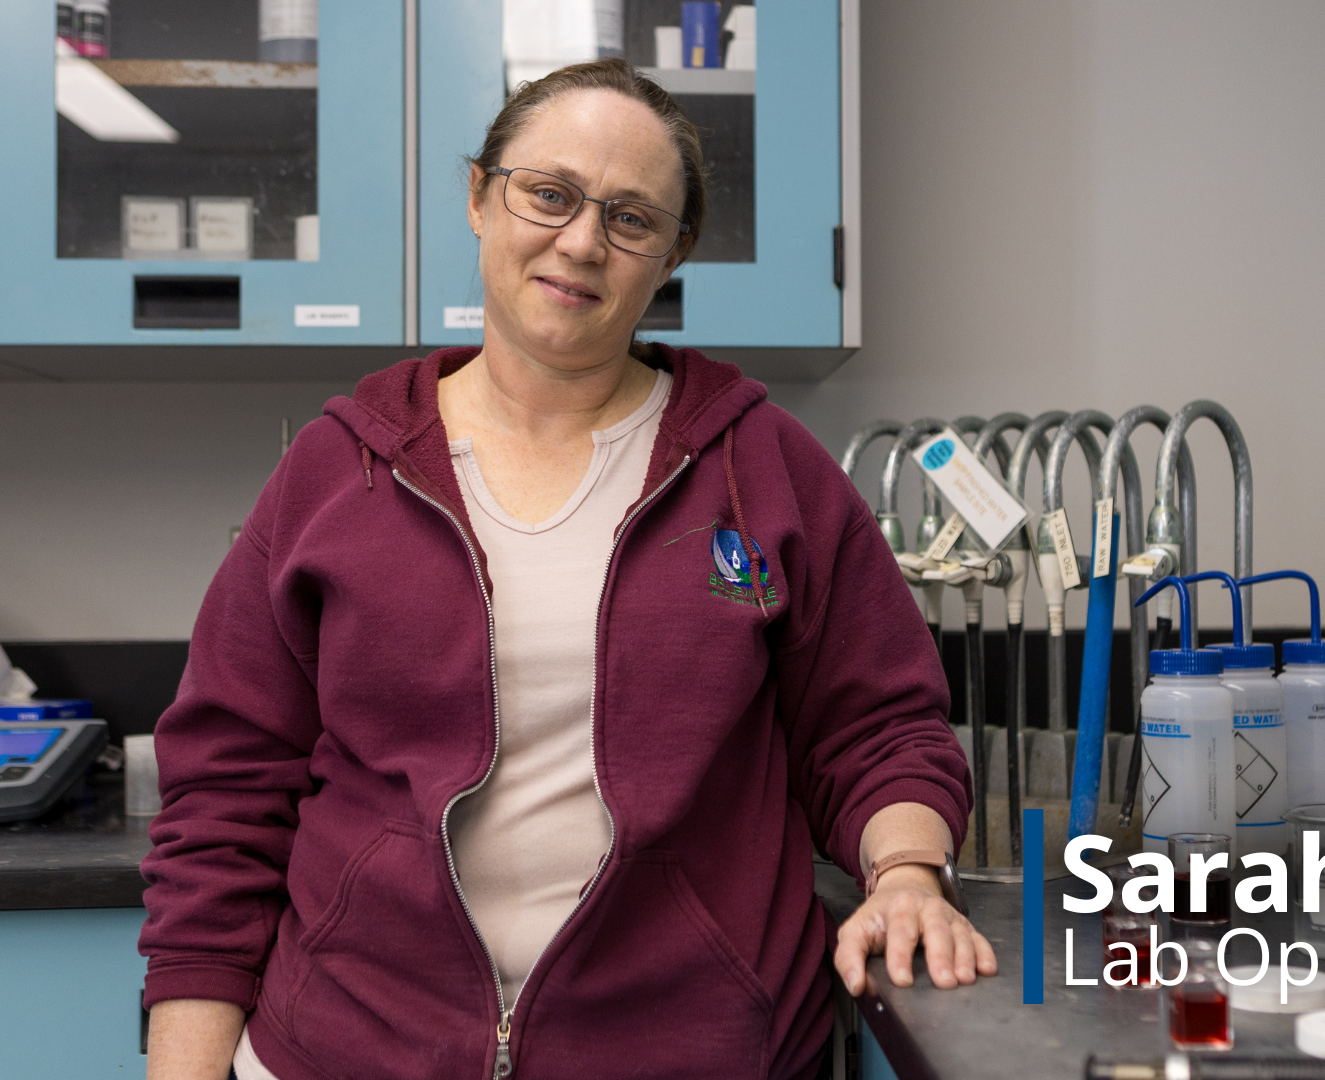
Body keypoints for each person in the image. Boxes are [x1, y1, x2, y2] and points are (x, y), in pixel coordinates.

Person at [139, 59, 994, 1080]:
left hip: (688, 1053)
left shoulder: (759, 468)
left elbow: (878, 725)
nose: (582, 241)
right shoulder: (340, 468)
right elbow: (224, 802)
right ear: (478, 197)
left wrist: (905, 872)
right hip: (349, 1049)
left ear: (672, 252)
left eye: (631, 218)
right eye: (549, 194)